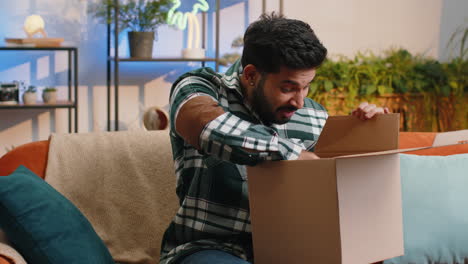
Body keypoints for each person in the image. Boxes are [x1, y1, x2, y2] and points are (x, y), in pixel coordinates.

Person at [160, 13, 389, 264]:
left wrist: (369, 131)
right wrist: (292, 154)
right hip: (208, 249)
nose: (300, 102)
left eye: (307, 86)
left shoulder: (314, 116)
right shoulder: (198, 89)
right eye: (288, 88)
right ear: (251, 75)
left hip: (290, 250)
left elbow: (334, 192)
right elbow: (208, 126)